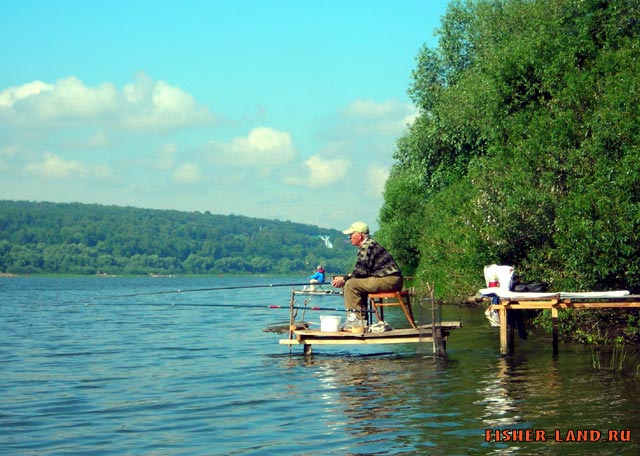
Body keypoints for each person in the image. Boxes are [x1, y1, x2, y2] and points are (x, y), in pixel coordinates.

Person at [331, 221, 403, 330]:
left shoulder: (366, 246)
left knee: (351, 285)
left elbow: (360, 272)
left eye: (351, 234)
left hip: (389, 280)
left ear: (359, 235)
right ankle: (361, 321)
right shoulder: (370, 244)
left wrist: (344, 279)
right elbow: (362, 272)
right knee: (354, 283)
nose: (349, 237)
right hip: (393, 280)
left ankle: (356, 323)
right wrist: (345, 277)